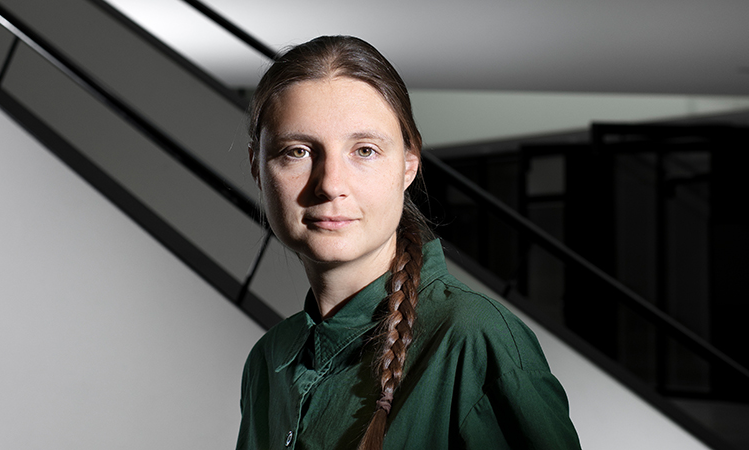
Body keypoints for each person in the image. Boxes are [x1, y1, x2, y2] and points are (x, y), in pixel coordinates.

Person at [237, 35, 581, 450]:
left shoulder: (474, 340)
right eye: (297, 151)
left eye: (364, 150)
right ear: (258, 169)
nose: (330, 185)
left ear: (408, 166)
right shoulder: (267, 360)